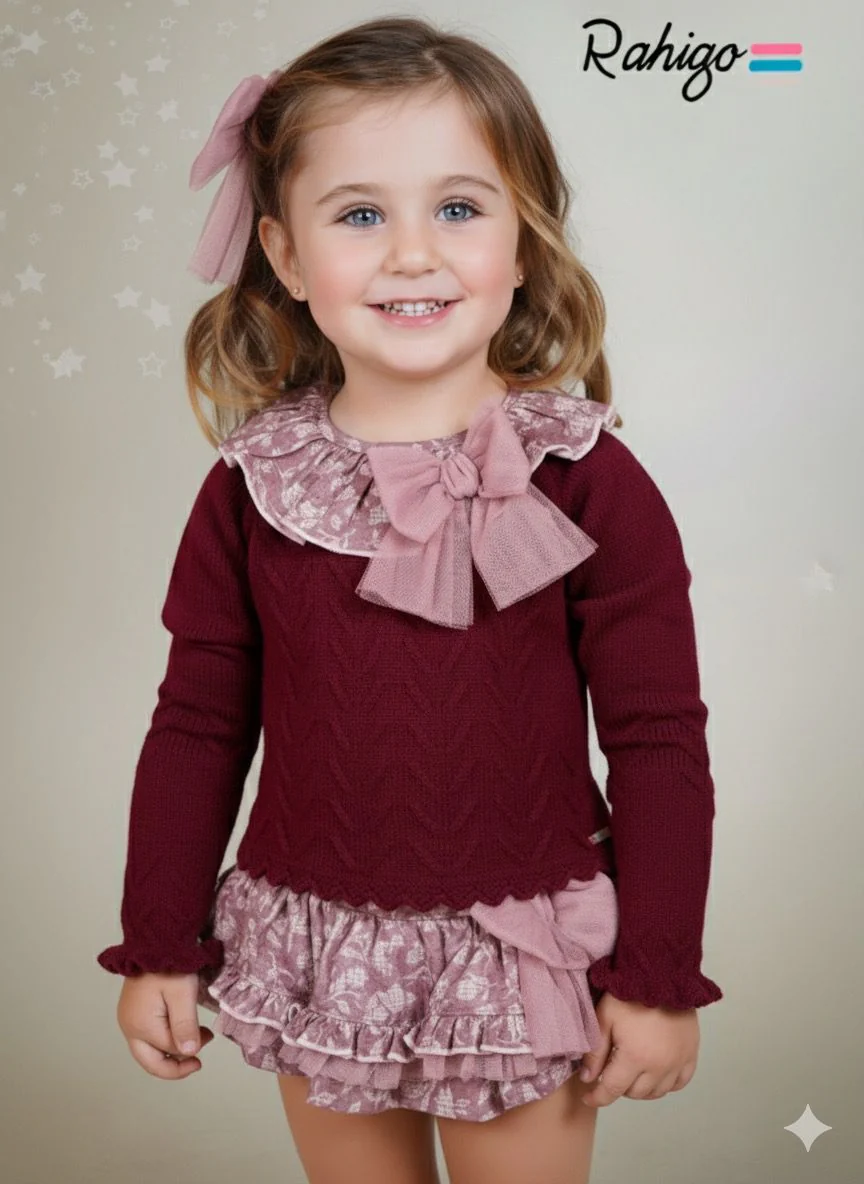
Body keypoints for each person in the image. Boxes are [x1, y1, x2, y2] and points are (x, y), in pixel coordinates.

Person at [96, 15, 722, 1184]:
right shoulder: (253, 487)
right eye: (360, 215)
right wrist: (158, 940)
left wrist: (658, 972)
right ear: (286, 255)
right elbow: (197, 724)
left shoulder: (588, 477)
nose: (412, 254)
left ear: (524, 240)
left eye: (459, 207)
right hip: (319, 945)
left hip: (516, 950)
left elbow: (656, 735)